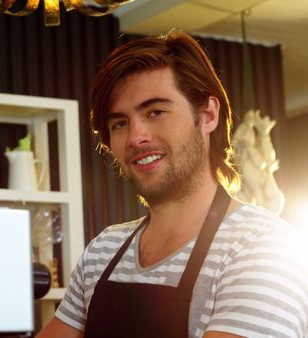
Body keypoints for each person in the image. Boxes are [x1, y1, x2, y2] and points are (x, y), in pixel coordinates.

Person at [36, 31, 308, 338]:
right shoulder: (104, 249)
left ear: (208, 115)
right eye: (120, 123)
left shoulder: (264, 246)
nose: (136, 137)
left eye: (156, 112)